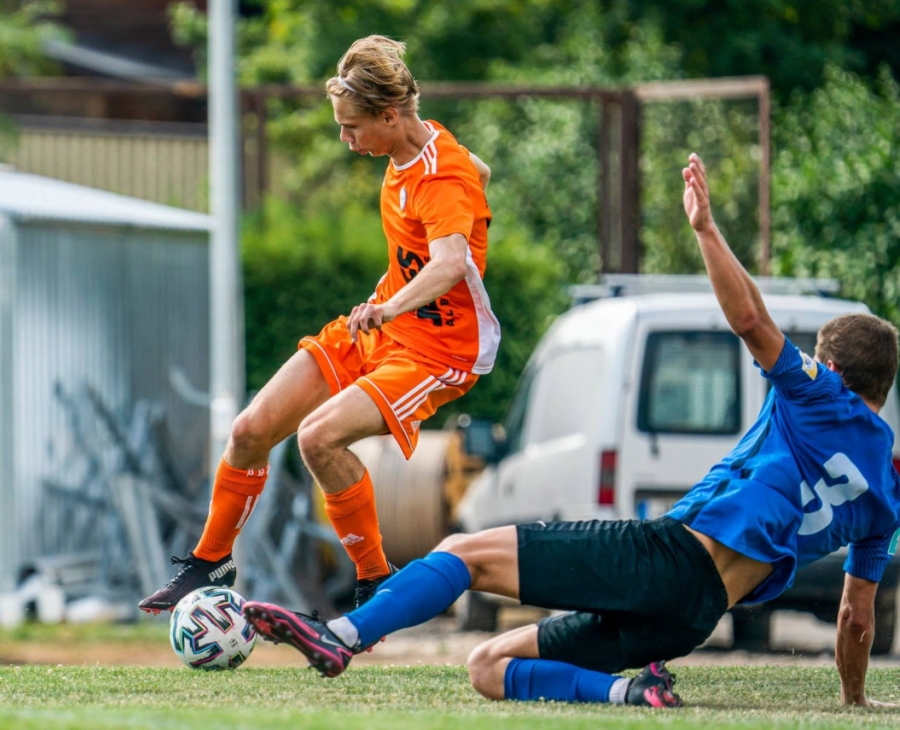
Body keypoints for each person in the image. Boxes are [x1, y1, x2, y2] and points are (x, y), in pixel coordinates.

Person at [243, 153, 900, 709]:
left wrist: (704, 229)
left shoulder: (822, 394)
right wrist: (852, 701)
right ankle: (631, 695)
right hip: (694, 618)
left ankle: (344, 635)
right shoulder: (886, 494)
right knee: (487, 667)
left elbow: (755, 324)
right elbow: (856, 616)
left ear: (834, 367)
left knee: (465, 554)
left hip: (670, 559)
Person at [139, 35, 500, 613]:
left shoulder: (440, 178)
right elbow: (480, 170)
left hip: (439, 351)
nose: (344, 138)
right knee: (250, 430)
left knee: (317, 438)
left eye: (352, 126)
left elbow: (451, 262)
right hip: (383, 326)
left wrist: (393, 305)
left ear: (388, 115)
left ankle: (376, 580)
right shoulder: (422, 148)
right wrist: (390, 308)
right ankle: (210, 563)